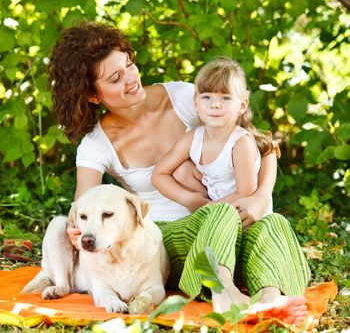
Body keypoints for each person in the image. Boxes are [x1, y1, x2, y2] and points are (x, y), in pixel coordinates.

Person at [48, 22, 310, 326]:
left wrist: (260, 197)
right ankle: (224, 295)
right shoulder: (96, 145)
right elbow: (82, 209)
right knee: (220, 213)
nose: (131, 79)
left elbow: (264, 147)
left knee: (272, 222)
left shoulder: (186, 98)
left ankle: (268, 301)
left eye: (129, 65)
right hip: (168, 242)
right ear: (93, 95)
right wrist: (76, 231)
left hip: (226, 233)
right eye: (115, 78)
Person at [152, 57, 275, 217]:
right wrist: (189, 199)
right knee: (181, 171)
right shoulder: (193, 138)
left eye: (225, 98)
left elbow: (246, 193)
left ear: (242, 105)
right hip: (214, 205)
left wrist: (206, 209)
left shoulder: (240, 143)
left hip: (245, 214)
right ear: (196, 104)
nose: (215, 104)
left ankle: (206, 221)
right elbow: (159, 174)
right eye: (206, 97)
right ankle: (206, 219)